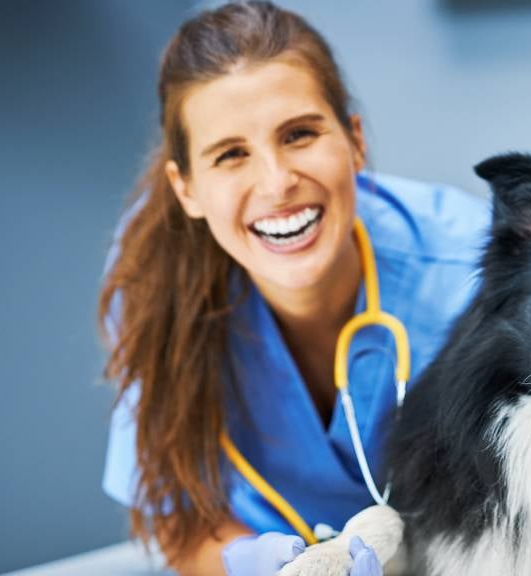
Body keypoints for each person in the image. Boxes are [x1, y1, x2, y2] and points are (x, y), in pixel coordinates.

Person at [98, 2, 489, 574]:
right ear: (185, 189)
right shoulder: (153, 286)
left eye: (299, 134)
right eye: (231, 155)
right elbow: (178, 516)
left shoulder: (478, 272)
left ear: (354, 142)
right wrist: (247, 564)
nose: (277, 183)